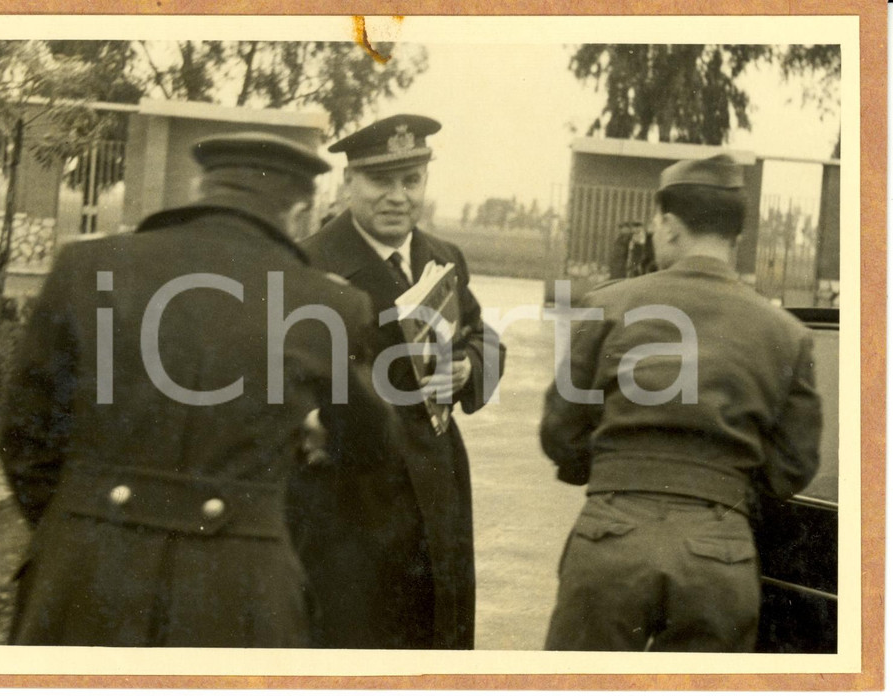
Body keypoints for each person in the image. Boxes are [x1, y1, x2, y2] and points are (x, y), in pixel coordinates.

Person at [0, 131, 400, 647]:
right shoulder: (329, 304)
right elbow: (372, 449)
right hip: (240, 587)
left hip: (80, 575)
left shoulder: (85, 267)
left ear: (201, 189)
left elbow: (22, 436)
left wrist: (78, 524)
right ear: (300, 212)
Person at [539, 153, 822, 652]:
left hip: (611, 536)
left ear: (669, 226)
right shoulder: (788, 334)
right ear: (736, 236)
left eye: (655, 224)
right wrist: (725, 488)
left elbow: (561, 432)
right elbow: (794, 465)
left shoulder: (608, 306)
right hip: (720, 550)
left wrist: (613, 472)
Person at [289, 114, 506, 649]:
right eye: (380, 181)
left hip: (437, 480)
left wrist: (468, 367)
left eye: (411, 180)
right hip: (353, 492)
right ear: (349, 181)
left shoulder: (443, 257)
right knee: (360, 638)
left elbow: (481, 333)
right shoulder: (310, 263)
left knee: (437, 632)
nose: (398, 197)